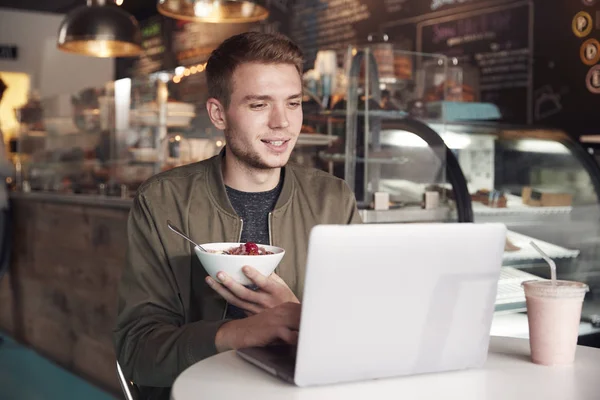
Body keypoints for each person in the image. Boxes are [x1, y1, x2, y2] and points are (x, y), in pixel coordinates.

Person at [113, 32, 361, 399]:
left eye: (293, 103)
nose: (282, 122)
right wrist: (241, 333)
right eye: (259, 105)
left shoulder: (333, 199)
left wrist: (296, 314)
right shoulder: (163, 201)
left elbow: (361, 333)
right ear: (218, 114)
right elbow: (138, 352)